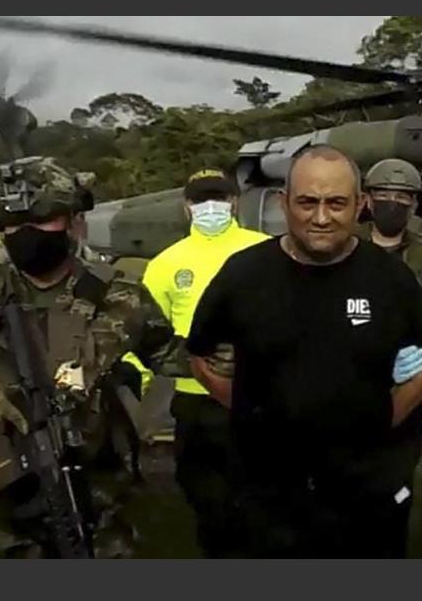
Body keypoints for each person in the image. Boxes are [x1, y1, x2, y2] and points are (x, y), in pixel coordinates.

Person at [0, 156, 189, 558]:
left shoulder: (119, 296)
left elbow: (172, 355)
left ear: (74, 221)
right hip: (4, 492)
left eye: (42, 219)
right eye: (13, 224)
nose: (26, 234)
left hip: (100, 489)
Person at [185, 145, 422, 558]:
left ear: (360, 205)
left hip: (365, 497)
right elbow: (201, 357)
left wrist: (368, 427)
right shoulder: (243, 275)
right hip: (267, 496)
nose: (321, 217)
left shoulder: (394, 281)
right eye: (307, 202)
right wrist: (261, 416)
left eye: (336, 203)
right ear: (285, 204)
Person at [138, 168, 269, 557]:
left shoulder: (267, 252)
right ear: (186, 207)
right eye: (200, 200)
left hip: (257, 400)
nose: (210, 207)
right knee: (209, 509)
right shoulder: (164, 264)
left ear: (235, 202)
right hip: (194, 404)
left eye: (219, 198)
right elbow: (143, 338)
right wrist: (134, 398)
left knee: (263, 506)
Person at [358, 158, 422, 315]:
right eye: (383, 195)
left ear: (413, 205)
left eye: (401, 197)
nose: (392, 203)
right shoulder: (347, 246)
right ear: (368, 201)